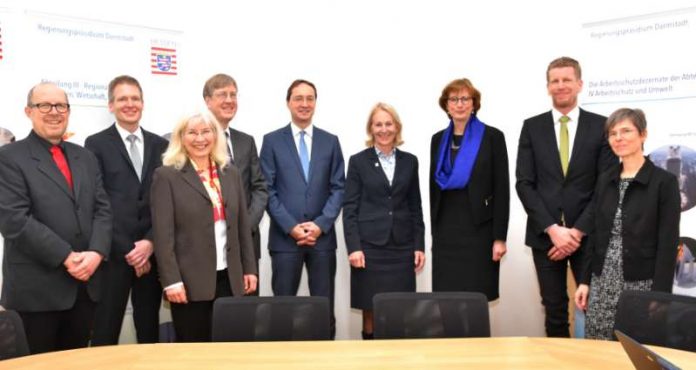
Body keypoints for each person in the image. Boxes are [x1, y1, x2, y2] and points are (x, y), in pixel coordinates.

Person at [0, 83, 112, 353]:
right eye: (44, 105)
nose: (54, 112)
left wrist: (96, 252)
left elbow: (103, 209)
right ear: (29, 111)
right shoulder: (8, 157)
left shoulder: (84, 156)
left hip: (85, 289)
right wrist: (67, 257)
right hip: (37, 293)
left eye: (61, 105)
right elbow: (14, 220)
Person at [516, 57, 617, 337]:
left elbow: (605, 185)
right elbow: (524, 183)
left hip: (587, 236)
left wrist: (575, 232)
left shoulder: (601, 126)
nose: (560, 86)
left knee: (593, 309)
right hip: (544, 236)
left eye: (566, 80)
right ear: (548, 86)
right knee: (555, 311)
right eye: (554, 81)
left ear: (579, 84)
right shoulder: (532, 127)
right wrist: (553, 229)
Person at [151, 111, 257, 342]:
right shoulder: (166, 176)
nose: (200, 139)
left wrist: (249, 268)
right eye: (192, 133)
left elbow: (241, 227)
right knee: (194, 353)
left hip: (230, 278)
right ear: (180, 137)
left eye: (206, 132)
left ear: (215, 136)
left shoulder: (231, 173)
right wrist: (171, 281)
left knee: (230, 350)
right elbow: (163, 236)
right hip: (189, 282)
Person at [574, 108, 680, 340]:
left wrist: (660, 295)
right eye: (613, 133)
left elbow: (668, 244)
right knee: (598, 350)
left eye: (626, 131)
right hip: (602, 282)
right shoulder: (605, 179)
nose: (618, 138)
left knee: (632, 351)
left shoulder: (664, 182)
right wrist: (584, 280)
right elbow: (595, 234)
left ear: (643, 134)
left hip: (641, 284)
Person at [85, 75, 168, 345]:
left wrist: (149, 243)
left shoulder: (161, 145)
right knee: (105, 332)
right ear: (111, 105)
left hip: (151, 254)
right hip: (114, 256)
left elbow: (166, 203)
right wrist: (132, 252)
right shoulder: (95, 144)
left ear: (143, 103)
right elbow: (98, 202)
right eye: (122, 99)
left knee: (149, 332)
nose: (129, 104)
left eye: (135, 98)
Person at [259, 79, 345, 338]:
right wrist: (291, 227)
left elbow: (339, 187)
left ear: (315, 103)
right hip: (286, 241)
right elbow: (267, 189)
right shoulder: (272, 141)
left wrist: (320, 225)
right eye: (298, 98)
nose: (304, 104)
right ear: (288, 102)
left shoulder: (331, 141)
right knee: (283, 310)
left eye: (310, 98)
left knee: (323, 309)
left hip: (323, 240)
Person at [343, 102, 425, 339]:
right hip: (369, 248)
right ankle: (370, 355)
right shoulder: (358, 161)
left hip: (402, 247)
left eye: (388, 124)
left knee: (401, 309)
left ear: (397, 127)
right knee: (370, 309)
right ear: (371, 128)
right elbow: (350, 208)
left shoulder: (410, 161)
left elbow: (415, 206)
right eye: (378, 124)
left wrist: (418, 244)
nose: (384, 129)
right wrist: (354, 247)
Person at [430, 78, 509, 300]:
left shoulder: (493, 137)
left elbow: (502, 189)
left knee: (476, 301)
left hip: (479, 234)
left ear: (474, 103)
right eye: (454, 99)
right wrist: (434, 234)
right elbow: (433, 189)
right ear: (446, 105)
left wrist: (499, 238)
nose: (460, 104)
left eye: (465, 98)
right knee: (447, 301)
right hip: (446, 235)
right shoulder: (437, 140)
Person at [203, 74, 268, 295]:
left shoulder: (246, 141)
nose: (229, 100)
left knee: (244, 320)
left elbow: (259, 187)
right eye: (222, 95)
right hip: (208, 248)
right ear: (207, 100)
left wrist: (244, 225)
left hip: (246, 247)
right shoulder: (196, 141)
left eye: (233, 94)